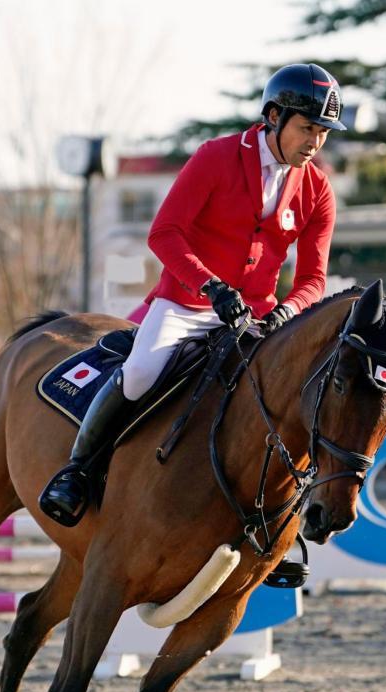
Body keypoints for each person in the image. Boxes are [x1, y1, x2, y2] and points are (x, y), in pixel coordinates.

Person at [40, 63, 346, 526]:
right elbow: (164, 234)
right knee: (141, 371)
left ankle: (284, 517)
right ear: (273, 116)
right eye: (307, 129)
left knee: (289, 397)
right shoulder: (216, 157)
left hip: (259, 318)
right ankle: (78, 471)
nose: (315, 143)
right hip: (186, 304)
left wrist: (289, 311)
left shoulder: (319, 189)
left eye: (323, 133)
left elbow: (313, 279)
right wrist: (211, 287)